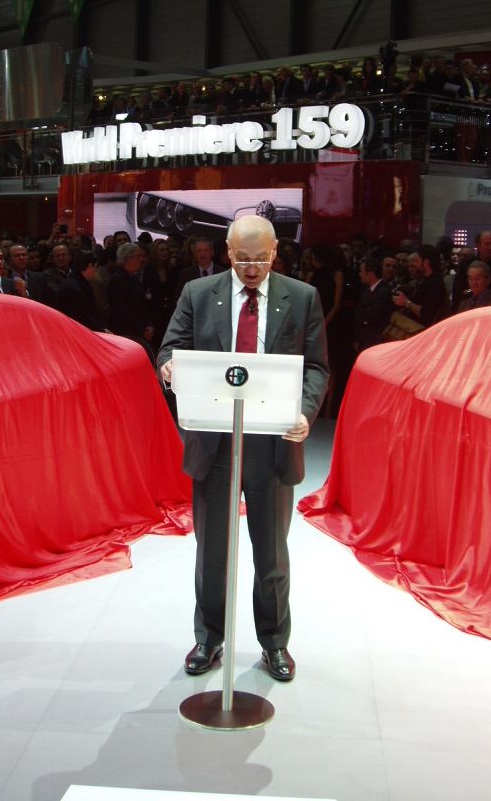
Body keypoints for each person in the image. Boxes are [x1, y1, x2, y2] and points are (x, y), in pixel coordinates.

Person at [158, 215, 329, 682]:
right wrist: (171, 368)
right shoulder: (199, 293)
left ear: (276, 252)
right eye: (241, 258)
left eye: (260, 258)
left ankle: (274, 643)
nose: (251, 268)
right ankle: (208, 638)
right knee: (211, 549)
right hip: (213, 441)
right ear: (226, 251)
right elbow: (171, 347)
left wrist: (305, 414)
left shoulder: (302, 297)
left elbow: (316, 368)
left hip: (271, 444)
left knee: (270, 554)